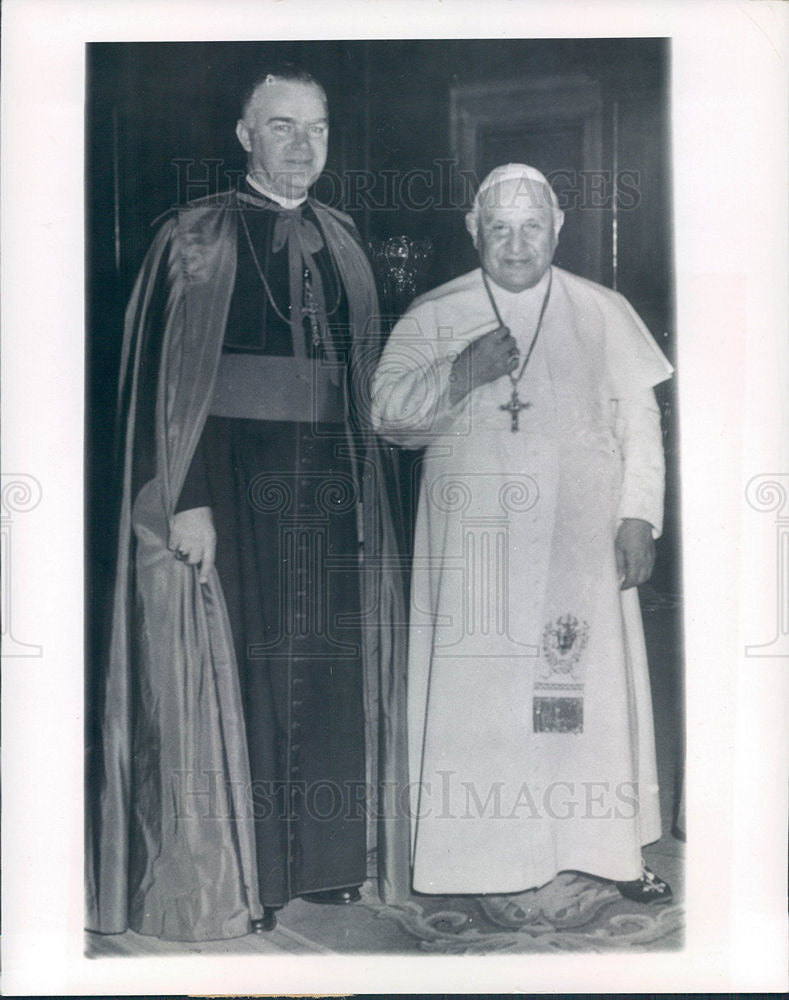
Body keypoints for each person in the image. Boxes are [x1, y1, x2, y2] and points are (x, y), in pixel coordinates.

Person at [86, 63, 408, 942]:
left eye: (317, 128)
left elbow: (368, 376)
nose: (303, 146)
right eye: (282, 127)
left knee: (327, 664)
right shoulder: (192, 236)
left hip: (333, 480)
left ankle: (330, 863)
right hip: (229, 474)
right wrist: (184, 498)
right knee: (255, 671)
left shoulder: (344, 237)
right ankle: (254, 874)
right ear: (245, 136)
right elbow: (160, 385)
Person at [371, 163, 674, 921]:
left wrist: (639, 517)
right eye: (497, 227)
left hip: (576, 552)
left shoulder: (602, 311)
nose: (514, 242)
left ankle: (600, 847)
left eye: (530, 224)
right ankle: (476, 854)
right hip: (479, 558)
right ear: (473, 231)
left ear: (556, 227)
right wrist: (459, 372)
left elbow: (641, 425)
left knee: (567, 698)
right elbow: (388, 422)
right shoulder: (434, 313)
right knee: (486, 706)